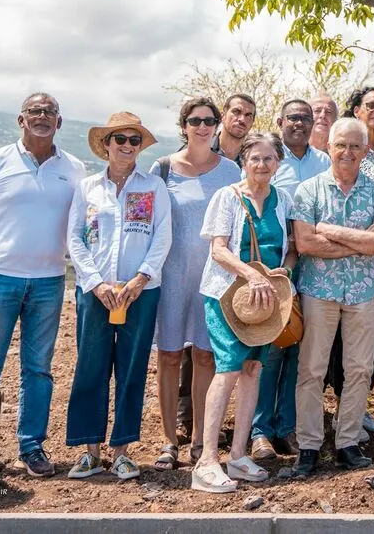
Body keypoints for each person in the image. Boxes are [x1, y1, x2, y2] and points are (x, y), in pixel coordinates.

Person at [0, 92, 86, 478]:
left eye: (49, 112)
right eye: (34, 111)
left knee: (38, 369)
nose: (41, 117)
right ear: (21, 120)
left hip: (49, 281)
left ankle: (31, 446)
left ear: (59, 122)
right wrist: (7, 250)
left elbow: (80, 224)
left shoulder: (75, 169)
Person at [64, 112, 172, 481]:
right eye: (120, 139)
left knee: (131, 370)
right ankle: (89, 451)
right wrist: (95, 283)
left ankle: (123, 451)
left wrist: (140, 280)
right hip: (96, 293)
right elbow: (75, 238)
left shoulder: (154, 187)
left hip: (140, 293)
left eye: (134, 140)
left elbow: (162, 237)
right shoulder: (88, 188)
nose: (127, 146)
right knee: (90, 367)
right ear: (106, 144)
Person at [191, 131, 295, 493]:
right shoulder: (228, 197)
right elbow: (219, 250)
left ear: (278, 163)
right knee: (228, 369)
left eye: (269, 159)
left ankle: (237, 454)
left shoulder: (283, 200)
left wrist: (284, 271)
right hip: (227, 297)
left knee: (253, 369)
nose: (262, 165)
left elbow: (290, 248)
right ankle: (206, 461)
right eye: (256, 159)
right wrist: (251, 274)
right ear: (243, 162)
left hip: (265, 303)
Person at [290, 118, 374, 477]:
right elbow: (305, 244)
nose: (347, 152)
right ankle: (309, 445)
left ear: (365, 151)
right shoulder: (308, 191)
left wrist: (330, 231)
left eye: (355, 146)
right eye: (341, 145)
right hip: (319, 291)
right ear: (329, 148)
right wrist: (358, 240)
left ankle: (347, 441)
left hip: (365, 294)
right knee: (311, 370)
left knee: (360, 369)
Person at [150, 96, 240, 470]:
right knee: (169, 356)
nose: (202, 127)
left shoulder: (232, 171)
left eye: (209, 120)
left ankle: (202, 440)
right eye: (195, 120)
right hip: (170, 277)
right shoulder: (163, 168)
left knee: (206, 356)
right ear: (183, 125)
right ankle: (169, 440)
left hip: (214, 280)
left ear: (217, 125)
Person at [251, 99, 330, 461]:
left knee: (297, 348)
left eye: (306, 119)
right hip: (273, 268)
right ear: (280, 121)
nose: (299, 123)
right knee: (268, 350)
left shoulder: (324, 162)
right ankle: (260, 431)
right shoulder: (272, 160)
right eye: (293, 118)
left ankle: (288, 427)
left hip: (311, 266)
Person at [322, 86, 374, 440]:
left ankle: (359, 399)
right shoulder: (346, 149)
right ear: (355, 109)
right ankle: (342, 403)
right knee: (345, 329)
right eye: (370, 105)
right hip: (349, 254)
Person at [213, 93, 257, 161]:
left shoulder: (256, 158)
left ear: (252, 122)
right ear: (223, 115)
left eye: (248, 116)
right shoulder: (201, 150)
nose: (242, 120)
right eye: (236, 112)